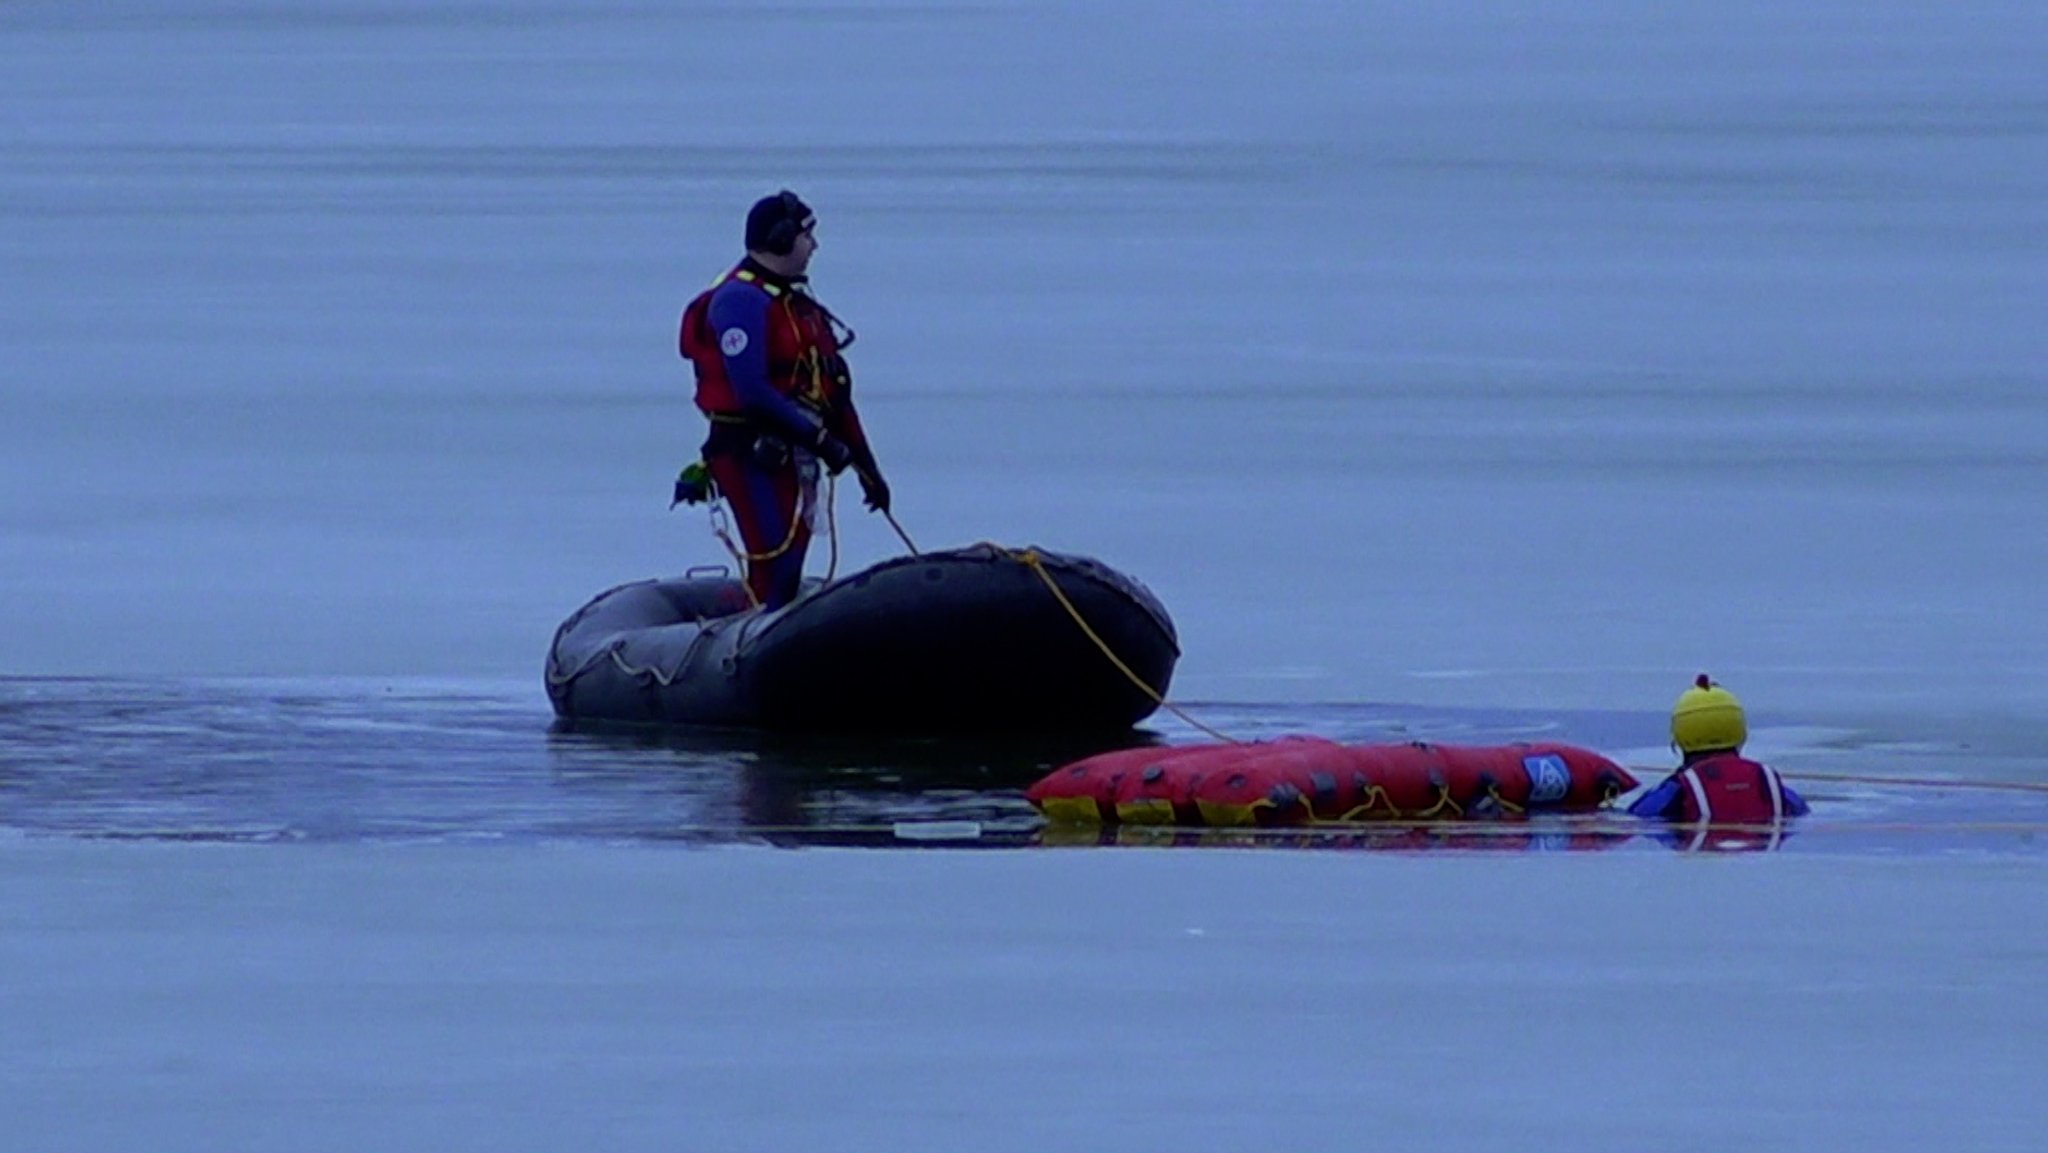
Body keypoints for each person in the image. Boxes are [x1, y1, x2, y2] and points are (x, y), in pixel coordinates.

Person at [678, 190, 889, 609]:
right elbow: (751, 391)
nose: (814, 246)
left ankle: (769, 631)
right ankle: (746, 652)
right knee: (775, 564)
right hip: (750, 453)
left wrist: (869, 470)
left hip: (798, 453)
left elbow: (835, 394)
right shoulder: (740, 301)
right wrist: (823, 443)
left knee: (790, 564)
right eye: (808, 236)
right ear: (780, 238)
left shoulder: (797, 305)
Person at [1629, 674, 1809, 826]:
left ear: (1679, 734)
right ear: (1740, 730)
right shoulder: (1767, 782)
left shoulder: (1678, 789)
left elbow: (1638, 816)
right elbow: (1802, 811)